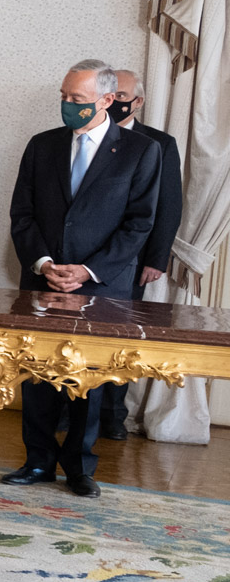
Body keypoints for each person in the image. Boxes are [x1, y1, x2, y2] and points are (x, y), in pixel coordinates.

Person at [5, 60, 160, 498]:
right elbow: (22, 214)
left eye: (78, 99)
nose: (67, 105)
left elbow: (139, 224)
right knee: (37, 375)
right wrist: (43, 263)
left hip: (100, 286)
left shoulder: (141, 151)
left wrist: (89, 270)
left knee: (88, 382)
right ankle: (37, 461)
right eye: (64, 96)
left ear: (107, 100)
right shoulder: (42, 145)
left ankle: (79, 468)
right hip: (44, 280)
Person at [97, 68, 183, 439]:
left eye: (122, 95)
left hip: (132, 258)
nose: (114, 101)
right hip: (83, 255)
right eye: (110, 93)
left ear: (139, 101)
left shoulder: (159, 143)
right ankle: (69, 411)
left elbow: (169, 204)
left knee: (120, 336)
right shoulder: (86, 133)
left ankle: (112, 415)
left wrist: (156, 258)